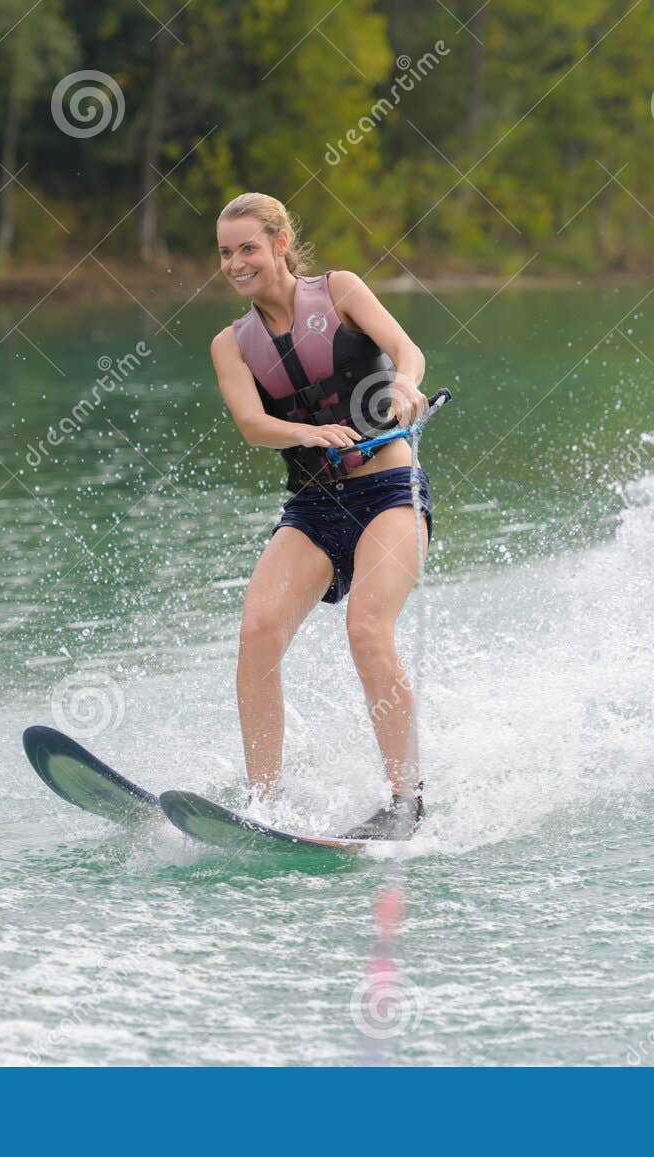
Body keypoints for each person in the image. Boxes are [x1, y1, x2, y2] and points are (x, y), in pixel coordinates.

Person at [209, 192, 433, 840]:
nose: (236, 263)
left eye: (248, 247)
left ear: (281, 242)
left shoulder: (340, 291)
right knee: (258, 630)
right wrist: (309, 437)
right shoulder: (232, 344)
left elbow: (406, 349)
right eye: (226, 253)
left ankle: (406, 798)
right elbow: (253, 426)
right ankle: (263, 802)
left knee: (367, 625)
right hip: (313, 506)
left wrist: (403, 384)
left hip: (389, 488)